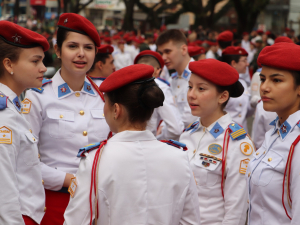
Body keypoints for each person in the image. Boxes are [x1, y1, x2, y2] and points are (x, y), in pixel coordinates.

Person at [64, 64, 201, 225]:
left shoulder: (95, 161)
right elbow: (190, 221)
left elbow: (75, 221)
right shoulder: (179, 157)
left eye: (105, 103)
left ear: (116, 110)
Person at [23, 13, 111, 225]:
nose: (81, 54)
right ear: (57, 50)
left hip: (99, 202)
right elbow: (25, 158)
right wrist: (68, 180)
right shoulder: (37, 96)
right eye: (72, 46)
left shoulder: (106, 96)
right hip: (53, 202)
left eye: (88, 48)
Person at [179, 59, 254, 225]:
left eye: (201, 88)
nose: (191, 94)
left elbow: (237, 210)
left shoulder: (236, 143)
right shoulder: (187, 134)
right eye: (190, 86)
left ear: (223, 96)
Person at [0, 21, 49, 225]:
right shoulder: (5, 116)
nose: (44, 68)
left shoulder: (13, 106)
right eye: (35, 61)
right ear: (9, 64)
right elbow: (4, 190)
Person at [246, 42, 300, 224]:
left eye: (276, 80)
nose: (264, 87)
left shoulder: (297, 142)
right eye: (263, 79)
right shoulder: (275, 132)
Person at [134, 50, 184, 140]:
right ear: (157, 71)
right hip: (147, 145)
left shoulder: (124, 85)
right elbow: (175, 129)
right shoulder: (160, 87)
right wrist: (157, 139)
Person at [156, 29, 198, 127]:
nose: (163, 58)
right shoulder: (172, 79)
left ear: (183, 49)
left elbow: (188, 120)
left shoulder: (199, 77)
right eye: (161, 53)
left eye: (167, 51)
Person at [221, 46, 253, 131]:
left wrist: (253, 105)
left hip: (241, 133)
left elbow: (243, 113)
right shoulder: (221, 84)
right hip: (224, 133)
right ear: (234, 63)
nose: (247, 64)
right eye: (244, 60)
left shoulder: (242, 82)